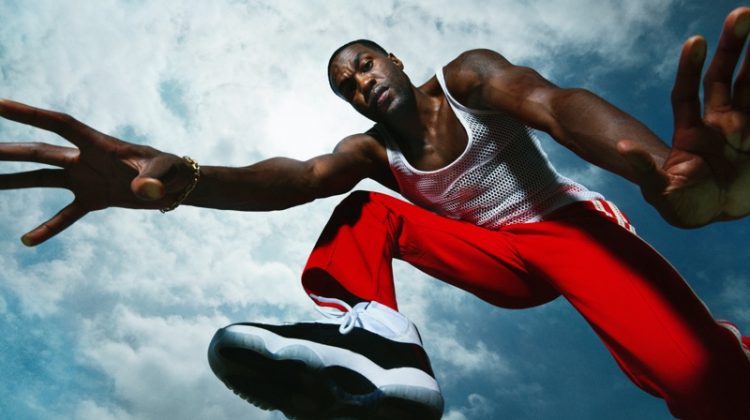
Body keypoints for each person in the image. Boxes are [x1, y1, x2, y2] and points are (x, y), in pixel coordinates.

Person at [2, 6, 750, 420]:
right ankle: (385, 351)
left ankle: (727, 358)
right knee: (366, 214)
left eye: (365, 65)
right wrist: (186, 176)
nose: (361, 84)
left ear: (392, 58)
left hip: (565, 230)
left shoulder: (464, 78)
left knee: (698, 383)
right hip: (495, 260)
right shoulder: (371, 152)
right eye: (347, 86)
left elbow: (555, 105)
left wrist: (651, 163)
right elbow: (289, 179)